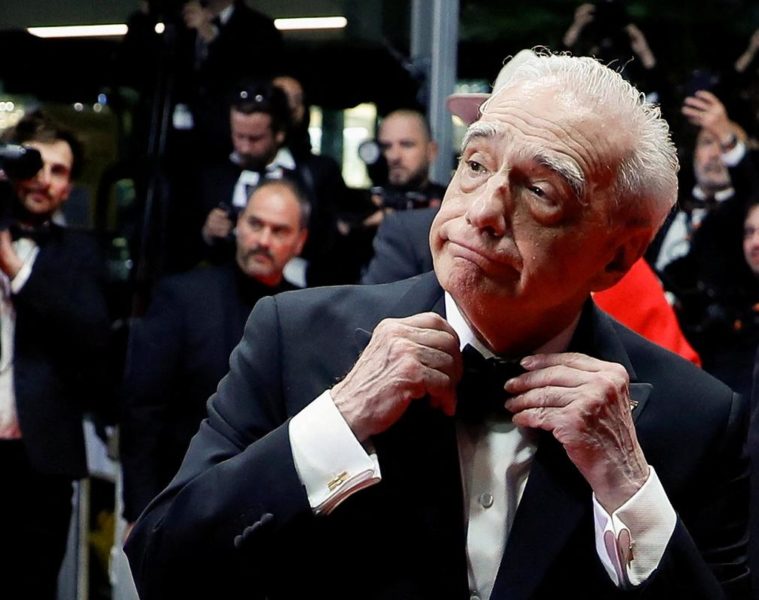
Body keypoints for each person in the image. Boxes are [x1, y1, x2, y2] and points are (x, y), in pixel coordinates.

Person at [125, 49, 749, 599]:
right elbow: (162, 565)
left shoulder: (694, 418)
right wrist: (338, 421)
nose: (482, 211)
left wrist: (630, 490)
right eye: (475, 164)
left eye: (540, 192)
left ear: (617, 256)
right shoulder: (295, 337)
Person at [120, 178, 308, 527]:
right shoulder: (182, 297)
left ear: (300, 241)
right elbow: (142, 409)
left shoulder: (306, 310)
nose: (263, 240)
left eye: (279, 230)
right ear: (238, 225)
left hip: (275, 511)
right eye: (255, 224)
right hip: (183, 500)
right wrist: (139, 510)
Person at [0, 112, 110, 599]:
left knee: (32, 584)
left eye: (59, 170)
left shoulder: (82, 254)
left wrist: (15, 269)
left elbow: (91, 339)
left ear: (70, 187)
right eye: (33, 164)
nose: (44, 179)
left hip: (39, 460)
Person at [189, 80, 345, 285]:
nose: (244, 147)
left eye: (255, 139)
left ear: (279, 134)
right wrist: (208, 233)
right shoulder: (212, 175)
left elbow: (332, 246)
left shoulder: (316, 173)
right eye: (239, 136)